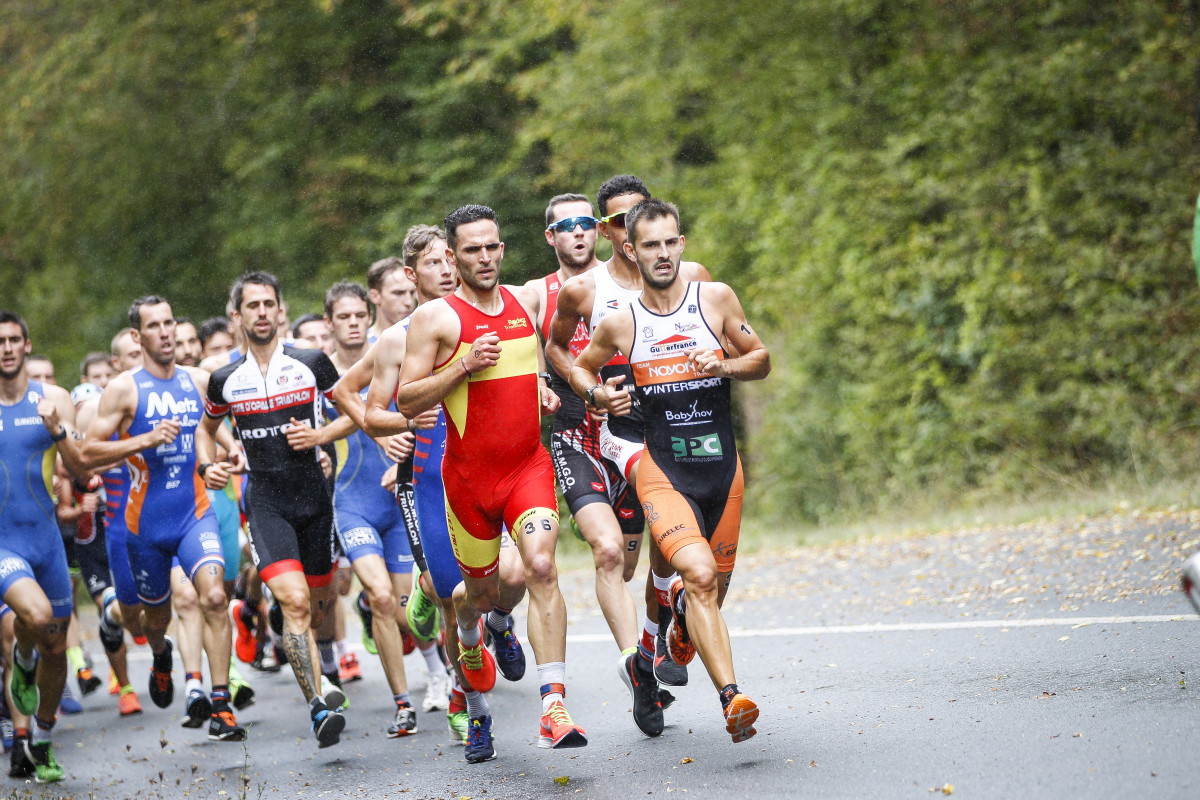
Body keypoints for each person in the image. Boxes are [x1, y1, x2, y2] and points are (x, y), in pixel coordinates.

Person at [569, 199, 770, 744]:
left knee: (712, 590)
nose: (662, 254)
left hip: (722, 471)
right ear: (631, 250)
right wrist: (598, 396)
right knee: (699, 576)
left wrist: (724, 364)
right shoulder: (620, 322)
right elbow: (582, 370)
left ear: (681, 244)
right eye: (650, 245)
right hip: (663, 470)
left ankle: (673, 629)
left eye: (669, 242)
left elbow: (761, 359)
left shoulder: (715, 298)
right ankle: (732, 699)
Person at [395, 205, 587, 759]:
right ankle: (475, 700)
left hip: (527, 467)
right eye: (471, 250)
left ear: (503, 248)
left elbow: (533, 357)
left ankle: (553, 707)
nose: (484, 258)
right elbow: (406, 398)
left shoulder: (525, 301)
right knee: (473, 597)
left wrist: (541, 387)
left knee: (540, 567)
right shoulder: (436, 319)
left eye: (491, 247)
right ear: (452, 257)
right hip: (468, 483)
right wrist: (461, 366)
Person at [548, 176, 711, 734]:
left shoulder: (689, 279)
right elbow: (555, 346)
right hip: (591, 438)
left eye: (639, 216)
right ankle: (633, 666)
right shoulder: (583, 290)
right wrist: (590, 391)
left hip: (660, 435)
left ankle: (650, 650)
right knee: (610, 553)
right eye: (619, 222)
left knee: (655, 560)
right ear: (607, 230)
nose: (630, 229)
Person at [79, 297, 246, 742]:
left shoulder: (198, 380)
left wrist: (230, 450)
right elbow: (88, 452)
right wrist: (145, 440)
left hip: (194, 514)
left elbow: (209, 426)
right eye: (154, 326)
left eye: (169, 322)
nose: (166, 332)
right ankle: (160, 656)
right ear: (138, 336)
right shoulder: (123, 389)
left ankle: (221, 706)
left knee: (215, 597)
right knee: (154, 621)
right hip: (144, 528)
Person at [198, 271, 347, 749]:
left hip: (315, 500)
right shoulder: (225, 379)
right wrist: (210, 465)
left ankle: (309, 654)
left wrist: (320, 436)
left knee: (318, 607)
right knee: (295, 601)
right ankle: (318, 707)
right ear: (236, 315)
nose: (261, 313)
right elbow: (206, 430)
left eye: (268, 304)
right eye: (252, 305)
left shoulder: (311, 362)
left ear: (281, 311)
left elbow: (353, 412)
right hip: (265, 502)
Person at [315, 281, 424, 737]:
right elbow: (323, 422)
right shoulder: (318, 370)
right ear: (330, 323)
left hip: (398, 499)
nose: (354, 323)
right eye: (344, 317)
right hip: (352, 501)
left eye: (360, 315)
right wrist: (320, 446)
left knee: (404, 614)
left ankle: (435, 661)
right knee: (381, 597)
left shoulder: (392, 350)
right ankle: (403, 704)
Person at [0, 310, 89, 782]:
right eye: (0, 342)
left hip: (46, 541)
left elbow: (81, 467)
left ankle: (43, 738)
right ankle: (21, 659)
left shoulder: (53, 399)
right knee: (34, 618)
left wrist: (57, 430)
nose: (7, 349)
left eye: (14, 340)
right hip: (3, 542)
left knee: (56, 650)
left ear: (27, 345)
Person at [366, 257, 418, 342]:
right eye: (399, 293)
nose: (408, 302)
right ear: (375, 296)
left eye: (412, 293)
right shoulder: (361, 344)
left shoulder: (427, 338)